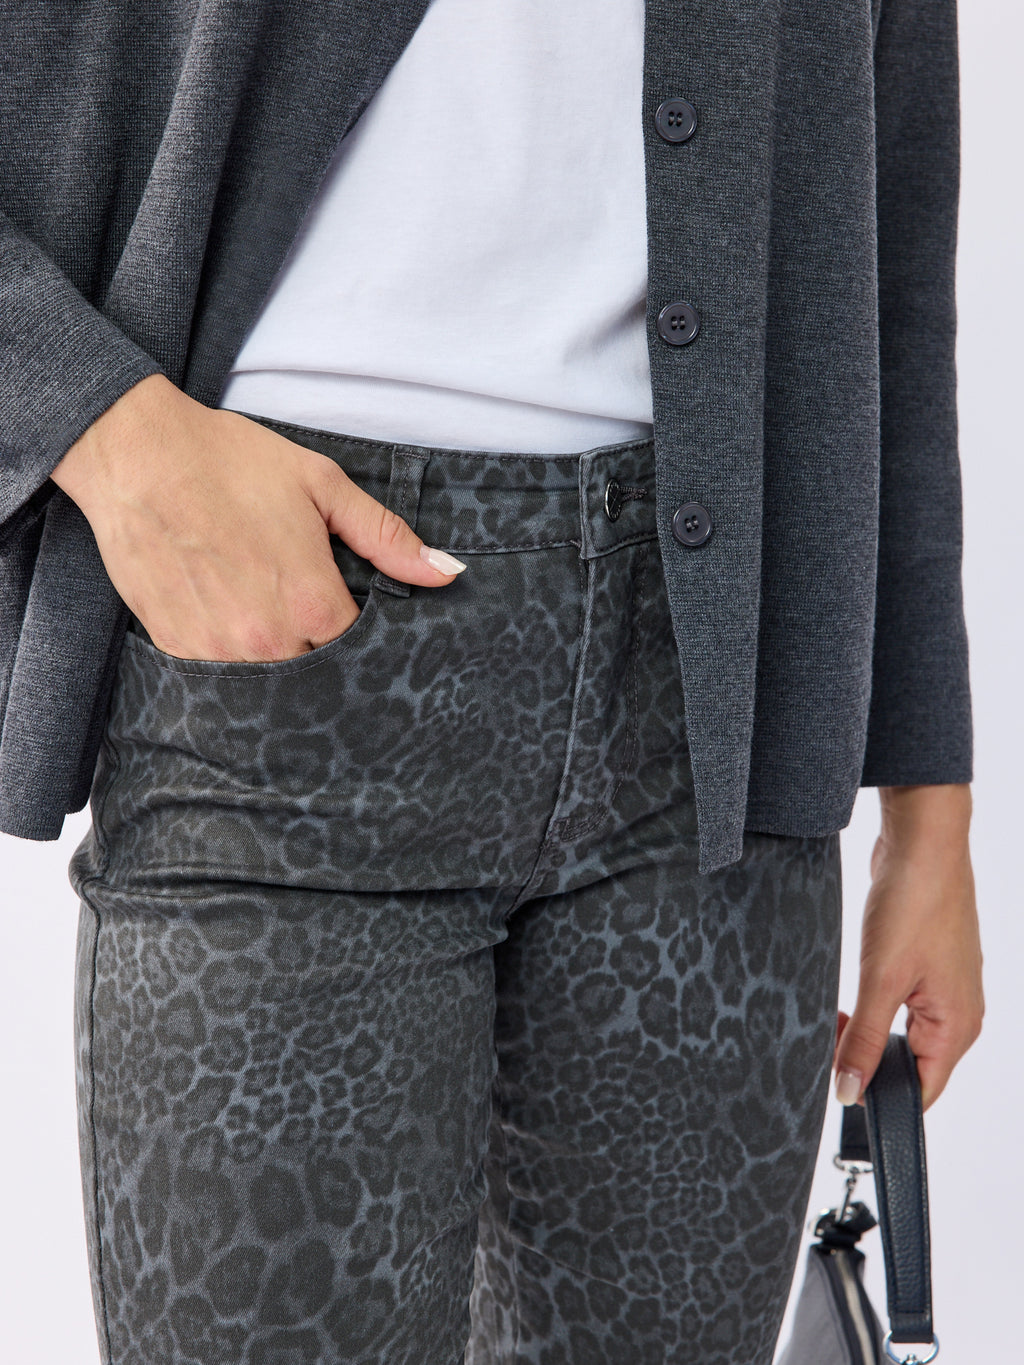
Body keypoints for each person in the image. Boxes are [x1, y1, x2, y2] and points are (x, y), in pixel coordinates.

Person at [1, 1, 983, 1362]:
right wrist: (109, 437)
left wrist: (929, 817)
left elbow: (891, 228)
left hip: (719, 705)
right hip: (289, 663)